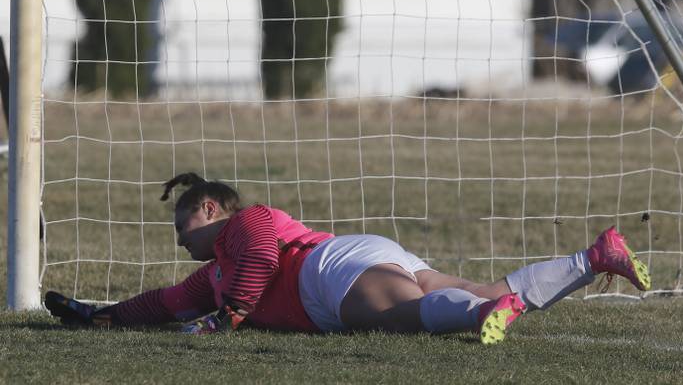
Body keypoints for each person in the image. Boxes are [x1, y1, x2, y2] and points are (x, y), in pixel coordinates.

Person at [45, 173, 651, 345]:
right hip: (360, 259)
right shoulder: (215, 271)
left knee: (401, 317)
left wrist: (229, 315)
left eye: (183, 225)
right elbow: (167, 304)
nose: (179, 240)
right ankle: (594, 257)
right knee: (477, 285)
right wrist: (98, 316)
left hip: (327, 276)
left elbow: (257, 258)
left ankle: (483, 316)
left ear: (208, 208)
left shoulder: (248, 222)